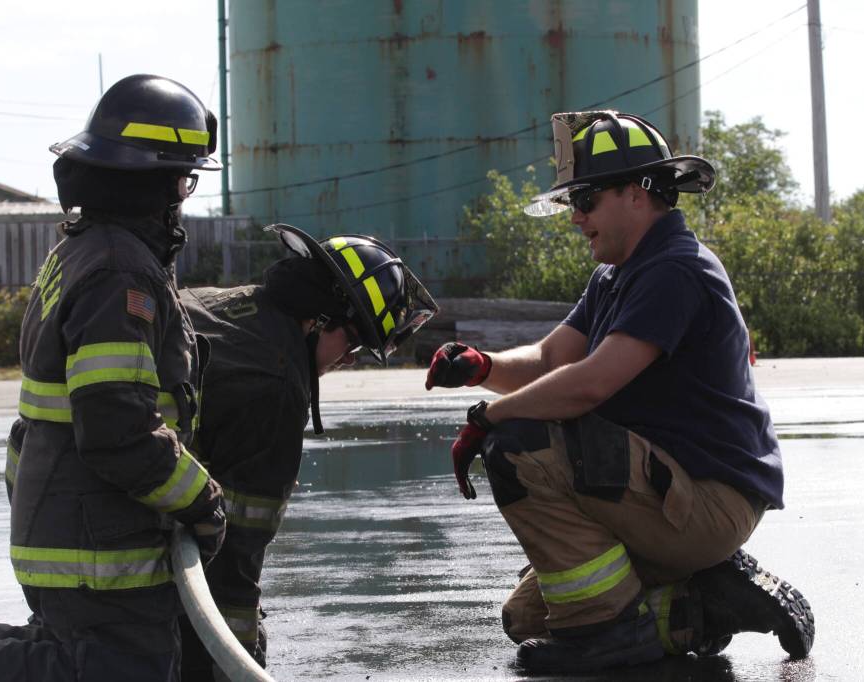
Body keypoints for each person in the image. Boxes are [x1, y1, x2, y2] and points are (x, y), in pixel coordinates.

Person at [425, 110, 814, 673]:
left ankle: (608, 633)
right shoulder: (619, 273)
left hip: (705, 498)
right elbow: (551, 359)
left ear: (637, 193)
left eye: (586, 199)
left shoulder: (675, 271)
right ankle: (701, 602)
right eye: (573, 203)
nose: (576, 217)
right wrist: (482, 366)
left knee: (517, 446)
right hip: (663, 490)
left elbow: (591, 383)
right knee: (526, 619)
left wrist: (487, 419)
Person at [0, 74, 227, 681]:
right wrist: (200, 499)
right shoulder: (120, 272)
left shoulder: (83, 249)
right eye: (183, 177)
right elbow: (116, 427)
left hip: (71, 523)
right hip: (95, 542)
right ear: (154, 179)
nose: (184, 193)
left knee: (81, 662)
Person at [177, 224, 438, 679]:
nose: (350, 359)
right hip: (110, 543)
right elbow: (237, 548)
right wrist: (240, 659)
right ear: (319, 319)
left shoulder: (224, 302)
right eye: (354, 342)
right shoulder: (274, 383)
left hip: (66, 499)